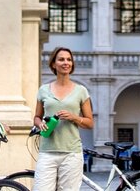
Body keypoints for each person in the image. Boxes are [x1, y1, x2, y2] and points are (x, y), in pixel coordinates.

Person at [32, 47, 94, 191]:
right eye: (61, 59)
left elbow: (90, 123)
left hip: (71, 153)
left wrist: (73, 117)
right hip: (47, 152)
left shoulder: (81, 91)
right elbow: (36, 117)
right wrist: (40, 124)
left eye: (69, 59)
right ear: (53, 64)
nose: (66, 62)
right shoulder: (43, 90)